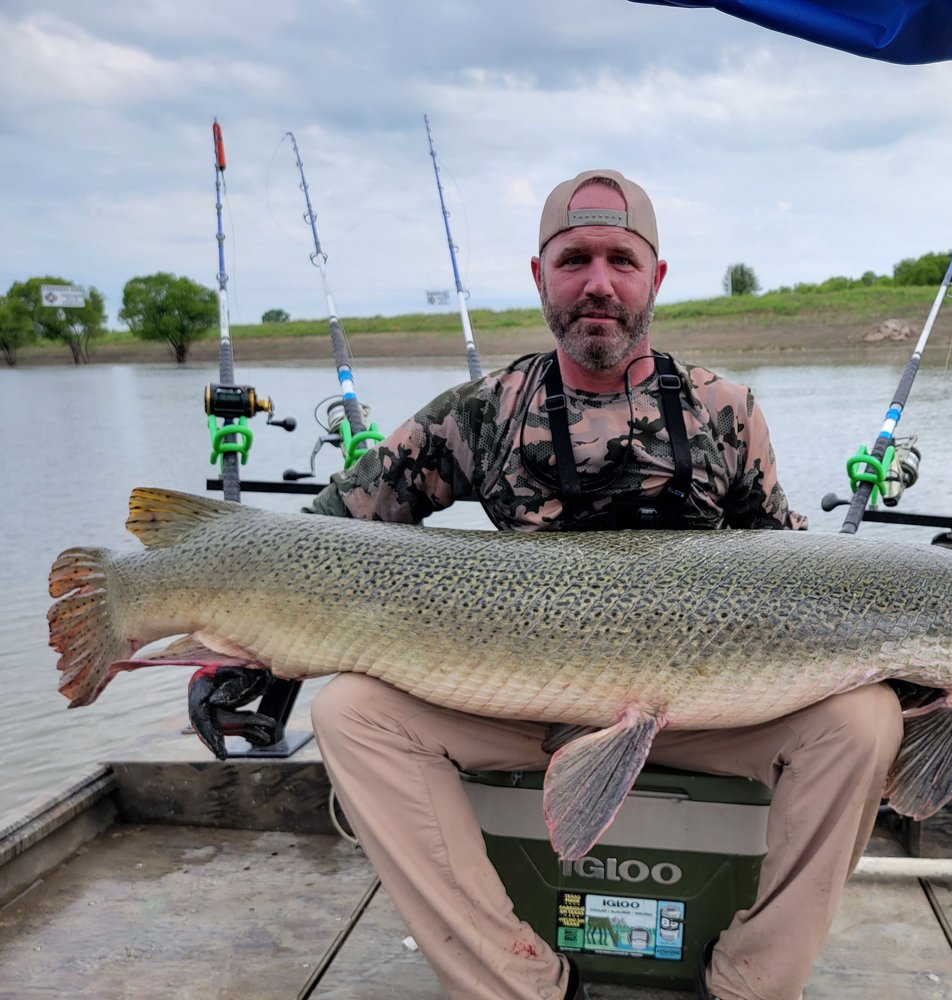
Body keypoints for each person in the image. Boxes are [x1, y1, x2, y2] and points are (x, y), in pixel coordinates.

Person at [302, 170, 903, 1000]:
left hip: (700, 707)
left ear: (654, 279)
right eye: (573, 259)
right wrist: (237, 647)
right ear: (540, 276)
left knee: (863, 721)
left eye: (620, 260)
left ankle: (749, 983)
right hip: (522, 698)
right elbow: (325, 533)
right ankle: (521, 983)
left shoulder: (725, 410)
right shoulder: (479, 411)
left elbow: (792, 574)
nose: (597, 283)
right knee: (348, 711)